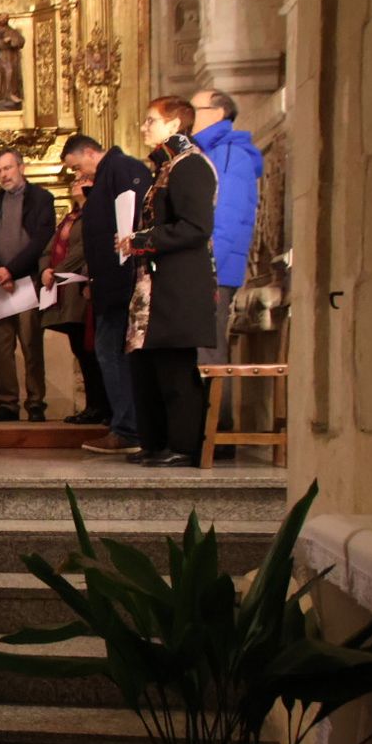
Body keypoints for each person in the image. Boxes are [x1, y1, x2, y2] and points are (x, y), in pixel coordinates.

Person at [117, 96, 218, 468]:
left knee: (175, 366)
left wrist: (142, 240)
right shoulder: (164, 168)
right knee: (147, 366)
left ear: (175, 125)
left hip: (178, 286)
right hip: (152, 285)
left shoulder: (190, 167)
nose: (144, 127)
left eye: (150, 121)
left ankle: (183, 443)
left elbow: (195, 227)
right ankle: (155, 441)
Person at [61, 133, 151, 455]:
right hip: (106, 283)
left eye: (76, 166)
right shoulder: (105, 177)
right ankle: (123, 424)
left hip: (121, 281)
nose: (77, 174)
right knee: (106, 352)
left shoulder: (123, 168)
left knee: (111, 353)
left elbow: (135, 217)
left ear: (89, 152)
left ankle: (128, 429)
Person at [190, 89, 263, 443]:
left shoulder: (231, 152)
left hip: (213, 269)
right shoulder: (209, 151)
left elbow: (228, 217)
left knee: (210, 350)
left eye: (195, 109)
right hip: (205, 268)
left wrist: (208, 267)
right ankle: (203, 431)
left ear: (218, 112)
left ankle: (217, 433)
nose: (190, 115)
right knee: (201, 348)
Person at [0, 148, 55, 421]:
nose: (3, 175)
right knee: (2, 348)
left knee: (31, 345)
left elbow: (42, 239)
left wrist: (12, 271)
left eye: (7, 168)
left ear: (21, 167)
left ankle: (35, 403)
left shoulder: (42, 198)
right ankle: (7, 403)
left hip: (27, 281)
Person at [40, 174, 111, 425]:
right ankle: (93, 405)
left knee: (89, 350)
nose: (74, 183)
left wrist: (57, 271)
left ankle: (101, 406)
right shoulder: (70, 218)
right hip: (64, 290)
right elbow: (49, 249)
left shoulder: (93, 215)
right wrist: (45, 270)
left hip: (81, 288)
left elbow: (84, 249)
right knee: (80, 350)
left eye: (80, 179)